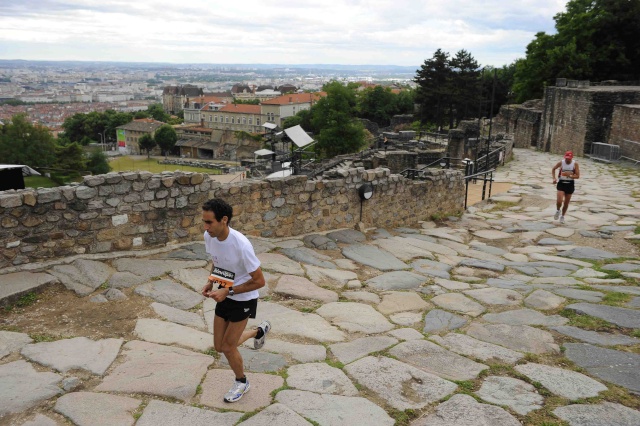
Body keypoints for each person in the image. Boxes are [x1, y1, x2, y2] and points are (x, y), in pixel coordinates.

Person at [200, 198, 271, 403]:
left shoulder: (241, 245)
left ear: (224, 220)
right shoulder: (209, 236)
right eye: (204, 222)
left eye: (209, 222)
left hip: (244, 299)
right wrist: (211, 282)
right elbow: (216, 260)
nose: (205, 227)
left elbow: (259, 281)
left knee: (229, 347)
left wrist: (228, 292)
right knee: (219, 346)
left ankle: (242, 382)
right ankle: (258, 331)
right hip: (224, 294)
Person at [552, 150, 580, 224]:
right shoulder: (561, 162)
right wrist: (554, 178)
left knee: (566, 203)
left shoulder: (575, 164)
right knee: (559, 200)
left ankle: (562, 216)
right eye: (566, 158)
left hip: (570, 184)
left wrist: (570, 175)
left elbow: (577, 176)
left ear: (571, 158)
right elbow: (553, 169)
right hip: (561, 183)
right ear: (565, 157)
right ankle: (558, 210)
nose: (567, 159)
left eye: (569, 158)